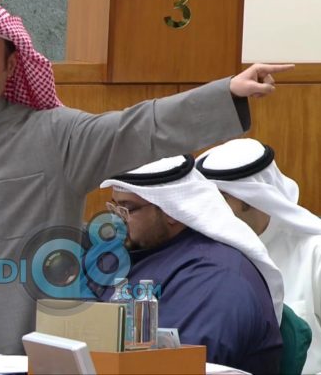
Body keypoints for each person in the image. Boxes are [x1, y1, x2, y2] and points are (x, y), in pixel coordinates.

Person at [0, 0, 293, 355]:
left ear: (12, 65)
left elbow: (138, 128)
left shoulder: (57, 137)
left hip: (30, 346)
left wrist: (224, 95)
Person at [196, 138, 321, 374]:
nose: (208, 210)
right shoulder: (203, 257)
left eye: (220, 198)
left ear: (250, 198)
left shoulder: (319, 252)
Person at [98, 155, 283, 374]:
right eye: (114, 208)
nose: (116, 220)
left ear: (171, 212)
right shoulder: (126, 252)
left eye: (127, 209)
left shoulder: (217, 277)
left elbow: (176, 365)